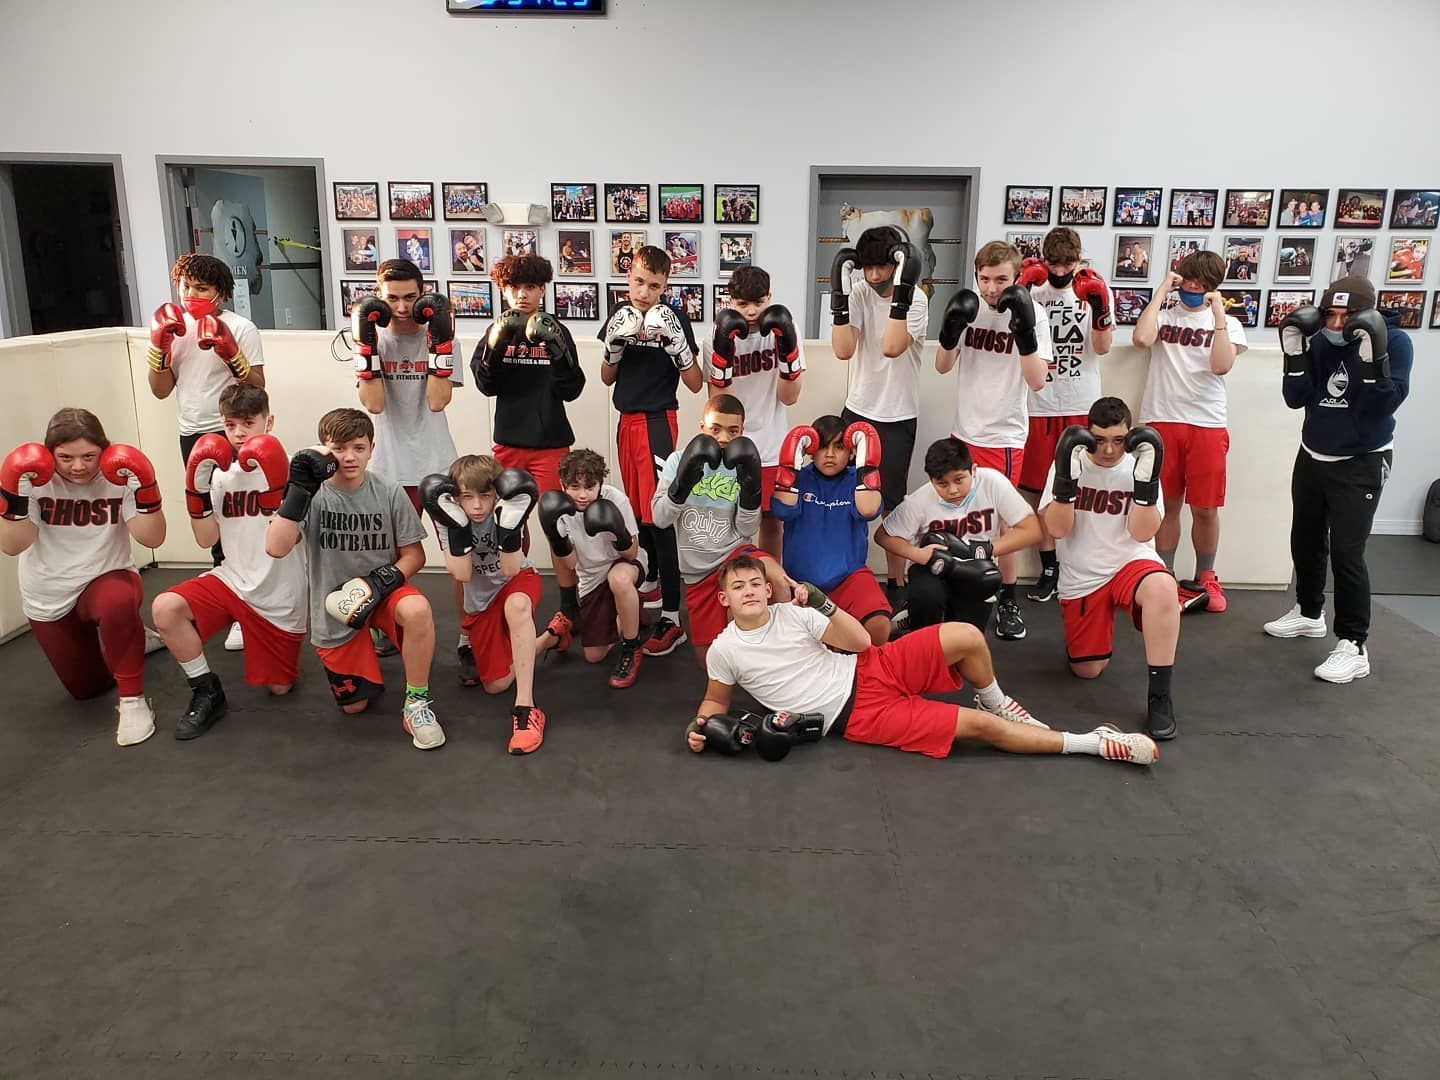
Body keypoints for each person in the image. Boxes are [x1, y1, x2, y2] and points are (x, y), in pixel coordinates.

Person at [685, 555, 1156, 766]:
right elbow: (714, 701)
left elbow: (861, 646)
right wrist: (700, 728)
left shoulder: (795, 613)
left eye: (754, 585)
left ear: (768, 589)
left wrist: (820, 602)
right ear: (724, 599)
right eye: (738, 588)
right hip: (862, 716)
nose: (748, 592)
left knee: (968, 636)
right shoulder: (726, 650)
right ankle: (1093, 743)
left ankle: (997, 699)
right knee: (982, 730)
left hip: (873, 666)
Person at [264, 408, 444, 751]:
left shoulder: (389, 492)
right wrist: (298, 490)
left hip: (383, 593)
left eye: (359, 448)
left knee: (418, 610)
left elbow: (415, 556)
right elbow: (275, 547)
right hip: (333, 605)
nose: (349, 457)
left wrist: (382, 581)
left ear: (372, 449)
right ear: (324, 449)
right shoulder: (312, 495)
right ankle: (363, 642)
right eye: (339, 448)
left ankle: (417, 703)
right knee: (354, 706)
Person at [1265, 279, 1412, 683]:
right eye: (1330, 314)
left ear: (1365, 315)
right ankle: (1310, 612)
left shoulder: (1396, 342)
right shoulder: (1318, 341)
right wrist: (1294, 351)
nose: (1335, 323)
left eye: (1345, 317)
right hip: (1313, 454)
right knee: (1306, 538)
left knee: (1348, 553)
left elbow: (1384, 405)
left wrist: (1370, 358)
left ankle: (1354, 644)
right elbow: (1296, 398)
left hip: (1362, 460)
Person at [0, 409, 166, 746]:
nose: (78, 466)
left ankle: (132, 702)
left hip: (105, 578)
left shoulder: (119, 475)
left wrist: (146, 486)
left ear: (103, 451)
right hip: (48, 594)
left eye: (89, 456)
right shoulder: (31, 481)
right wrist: (11, 494)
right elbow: (13, 545)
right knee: (86, 689)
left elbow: (153, 539)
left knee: (118, 601)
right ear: (49, 455)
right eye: (66, 457)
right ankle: (135, 639)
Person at [150, 385, 306, 739]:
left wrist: (279, 492)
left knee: (279, 689)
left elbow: (285, 543)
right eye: (230, 424)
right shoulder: (217, 473)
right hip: (231, 580)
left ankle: (263, 641)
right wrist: (196, 491)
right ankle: (206, 690)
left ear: (269, 422)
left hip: (279, 595)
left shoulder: (295, 471)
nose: (238, 433)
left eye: (248, 423)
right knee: (165, 608)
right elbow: (207, 540)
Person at [1039, 397, 1182, 741]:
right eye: (1100, 440)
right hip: (1083, 576)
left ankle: (1160, 697)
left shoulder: (1141, 463)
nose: (1108, 450)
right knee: (1086, 670)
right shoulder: (1068, 462)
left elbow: (1142, 533)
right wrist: (1065, 483)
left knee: (1164, 589)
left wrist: (1145, 485)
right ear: (1087, 435)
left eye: (1118, 440)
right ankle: (1099, 627)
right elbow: (1056, 529)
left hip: (1130, 564)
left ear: (1130, 436)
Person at [351, 258, 469, 673]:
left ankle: (468, 633)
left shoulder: (443, 337)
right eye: (392, 298)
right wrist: (367, 351)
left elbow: (437, 400)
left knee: (459, 556)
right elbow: (374, 404)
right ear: (379, 299)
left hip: (438, 464)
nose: (402, 307)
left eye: (410, 297)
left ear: (423, 295)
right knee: (385, 557)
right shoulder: (372, 338)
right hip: (388, 465)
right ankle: (383, 625)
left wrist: (437, 345)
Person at [933, 240, 1051, 640]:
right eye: (985, 278)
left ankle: (1008, 600)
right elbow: (943, 367)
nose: (992, 288)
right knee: (958, 517)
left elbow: (1037, 381)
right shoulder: (970, 308)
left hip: (1004, 436)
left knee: (1004, 527)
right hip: (964, 431)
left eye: (1001, 279)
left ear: (1016, 277)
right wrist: (951, 329)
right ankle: (960, 591)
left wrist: (1026, 331)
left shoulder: (1035, 313)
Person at [597, 245, 703, 657]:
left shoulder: (674, 318)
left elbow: (695, 383)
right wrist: (614, 346)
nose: (644, 292)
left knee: (662, 517)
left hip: (658, 422)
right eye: (639, 282)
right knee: (641, 513)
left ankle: (673, 617)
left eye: (654, 285)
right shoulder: (619, 317)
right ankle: (654, 585)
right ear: (629, 278)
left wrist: (677, 345)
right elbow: (607, 377)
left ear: (665, 286)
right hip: (627, 422)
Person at [1131, 250, 1246, 612]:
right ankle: (1162, 575)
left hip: (1207, 423)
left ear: (1213, 287)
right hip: (1163, 419)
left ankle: (1206, 576)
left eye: (1202, 282)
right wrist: (1163, 289)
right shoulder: (1164, 315)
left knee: (1206, 508)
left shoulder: (1228, 324)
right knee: (1167, 506)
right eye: (1189, 279)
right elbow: (1140, 338)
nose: (1193, 287)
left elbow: (1221, 365)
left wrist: (1218, 316)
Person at [146, 252, 265, 581]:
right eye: (186, 286)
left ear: (221, 293)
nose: (191, 295)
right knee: (208, 510)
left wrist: (231, 354)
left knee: (240, 510)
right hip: (192, 432)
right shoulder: (172, 328)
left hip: (233, 430)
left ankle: (248, 581)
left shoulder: (241, 328)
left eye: (201, 288)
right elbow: (160, 390)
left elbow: (258, 385)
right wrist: (159, 349)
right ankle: (224, 580)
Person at [828, 226, 930, 609]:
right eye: (867, 268)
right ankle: (844, 573)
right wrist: (839, 296)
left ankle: (896, 583)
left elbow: (891, 347)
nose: (873, 276)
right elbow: (842, 351)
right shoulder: (857, 293)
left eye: (881, 267)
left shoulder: (916, 299)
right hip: (858, 409)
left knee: (893, 505)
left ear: (897, 264)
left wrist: (900, 294)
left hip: (898, 416)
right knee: (843, 496)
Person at [419, 456, 548, 753]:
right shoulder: (446, 518)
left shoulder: (509, 510)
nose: (476, 506)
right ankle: (545, 640)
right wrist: (457, 528)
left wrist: (508, 529)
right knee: (495, 685)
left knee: (516, 606)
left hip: (517, 580)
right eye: (467, 497)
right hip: (480, 601)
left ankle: (527, 708)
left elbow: (511, 569)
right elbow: (462, 574)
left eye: (485, 496)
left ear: (497, 495)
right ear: (454, 497)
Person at [651, 395, 789, 667]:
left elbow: (748, 528)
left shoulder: (744, 462)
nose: (724, 437)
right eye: (716, 429)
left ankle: (787, 653)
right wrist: (682, 484)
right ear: (702, 426)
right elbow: (660, 519)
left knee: (777, 578)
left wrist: (751, 491)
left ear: (742, 431)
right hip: (696, 571)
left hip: (735, 555)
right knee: (710, 662)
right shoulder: (678, 460)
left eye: (733, 430)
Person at [1015, 228, 1114, 603]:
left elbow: (1102, 348)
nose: (1059, 271)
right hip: (1038, 403)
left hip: (1079, 404)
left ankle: (1081, 567)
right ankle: (1050, 569)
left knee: (1079, 492)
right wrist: (1020, 293)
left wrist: (1101, 307)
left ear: (1078, 261)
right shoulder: (1033, 289)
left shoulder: (1092, 289)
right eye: (1053, 263)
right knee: (1035, 493)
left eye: (1066, 264)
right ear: (1043, 260)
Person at [876, 437, 1040, 636]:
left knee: (965, 638)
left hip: (975, 570)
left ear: (974, 470)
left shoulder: (993, 482)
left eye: (959, 480)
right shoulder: (920, 499)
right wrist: (917, 554)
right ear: (931, 480)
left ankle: (936, 617)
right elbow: (883, 535)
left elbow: (1032, 530)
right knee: (927, 603)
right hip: (933, 568)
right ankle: (916, 616)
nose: (952, 490)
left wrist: (988, 549)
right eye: (942, 484)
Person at [702, 266, 804, 559]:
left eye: (758, 303)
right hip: (731, 446)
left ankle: (769, 590)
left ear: (770, 297)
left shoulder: (786, 329)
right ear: (730, 301)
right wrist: (724, 358)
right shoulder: (716, 337)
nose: (751, 312)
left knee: (772, 523)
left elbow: (790, 397)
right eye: (742, 304)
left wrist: (788, 356)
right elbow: (720, 407)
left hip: (773, 446)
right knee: (730, 521)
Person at [769, 415, 891, 645]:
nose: (830, 454)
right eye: (823, 446)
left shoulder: (857, 479)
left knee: (878, 626)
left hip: (849, 578)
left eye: (839, 447)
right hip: (801, 583)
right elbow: (783, 511)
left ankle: (867, 674)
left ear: (852, 451)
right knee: (797, 644)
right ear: (811, 449)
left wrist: (867, 466)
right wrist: (789, 469)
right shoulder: (801, 478)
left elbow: (868, 510)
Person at [472, 253, 585, 497]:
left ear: (542, 289)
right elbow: (486, 386)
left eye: (530, 287)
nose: (522, 294)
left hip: (551, 443)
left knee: (555, 515)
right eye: (514, 287)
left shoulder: (557, 331)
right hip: (509, 442)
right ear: (503, 291)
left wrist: (558, 355)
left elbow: (572, 391)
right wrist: (495, 350)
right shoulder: (496, 330)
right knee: (509, 520)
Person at [534, 448, 648, 689]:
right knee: (594, 656)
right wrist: (556, 537)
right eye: (575, 487)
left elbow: (632, 552)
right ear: (563, 485)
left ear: (600, 483)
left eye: (589, 486)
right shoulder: (559, 510)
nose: (583, 495)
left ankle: (631, 647)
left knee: (618, 579)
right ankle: (629, 611)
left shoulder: (616, 499)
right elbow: (572, 564)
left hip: (625, 565)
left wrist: (616, 530)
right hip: (591, 577)